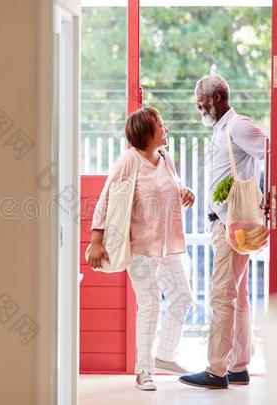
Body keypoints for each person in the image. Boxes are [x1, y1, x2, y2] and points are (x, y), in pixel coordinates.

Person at [86, 107, 195, 391]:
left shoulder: (165, 158)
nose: (166, 128)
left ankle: (164, 355)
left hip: (167, 245)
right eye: (161, 125)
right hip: (141, 248)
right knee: (150, 304)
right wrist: (96, 240)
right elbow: (106, 199)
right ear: (147, 132)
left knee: (182, 297)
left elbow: (170, 186)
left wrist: (183, 190)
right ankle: (143, 370)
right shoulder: (129, 161)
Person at [180, 75, 268, 389]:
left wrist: (270, 197)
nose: (198, 106)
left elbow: (273, 150)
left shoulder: (239, 126)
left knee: (222, 296)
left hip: (233, 224)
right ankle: (239, 366)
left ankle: (216, 370)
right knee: (238, 295)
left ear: (216, 98)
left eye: (200, 100)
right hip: (226, 222)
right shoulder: (221, 128)